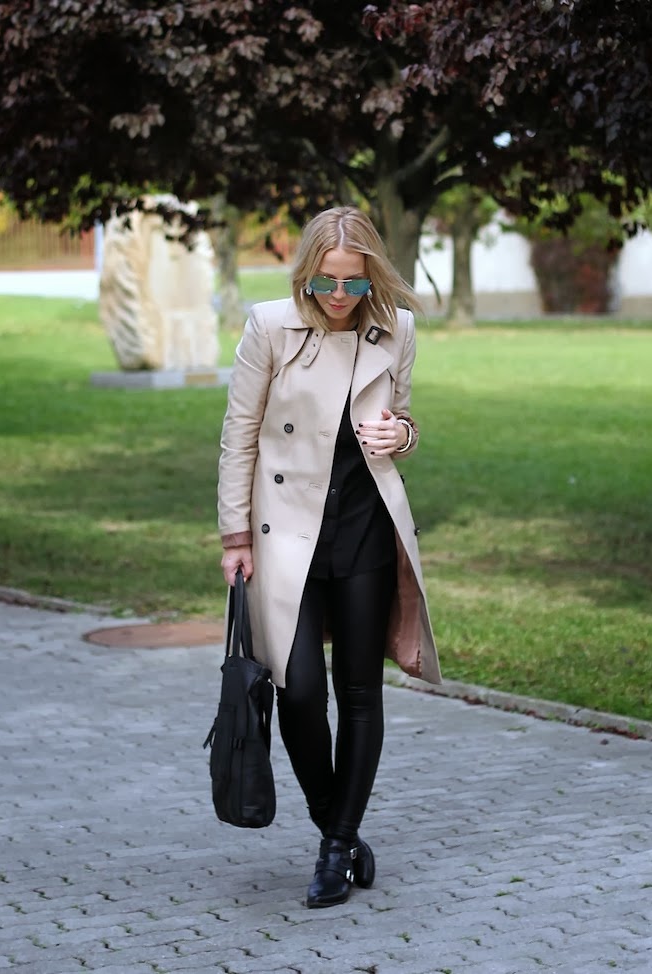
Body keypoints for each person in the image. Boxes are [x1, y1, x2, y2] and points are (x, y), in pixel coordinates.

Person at [217, 206, 441, 909]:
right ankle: (335, 827)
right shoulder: (269, 326)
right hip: (285, 533)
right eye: (325, 281)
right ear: (305, 274)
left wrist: (401, 435)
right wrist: (234, 537)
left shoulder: (396, 329)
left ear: (372, 275)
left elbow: (404, 419)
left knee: (360, 693)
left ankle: (337, 844)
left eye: (353, 282)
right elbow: (239, 435)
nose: (339, 295)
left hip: (364, 529)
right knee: (299, 692)